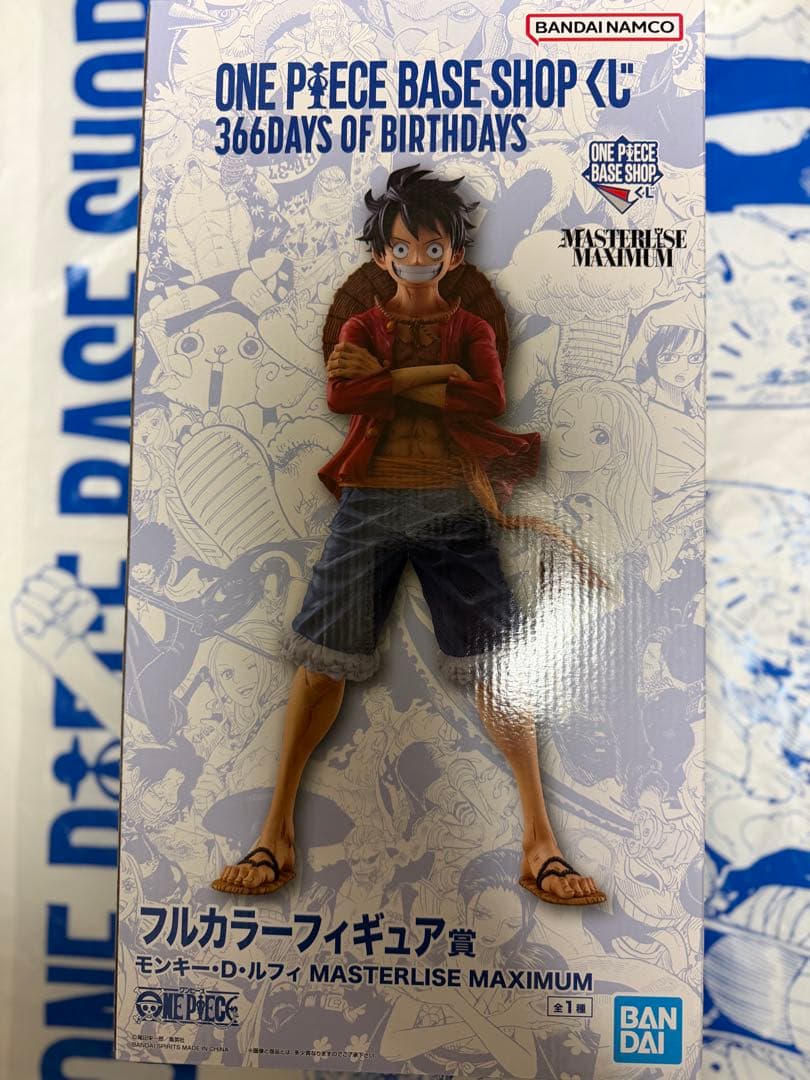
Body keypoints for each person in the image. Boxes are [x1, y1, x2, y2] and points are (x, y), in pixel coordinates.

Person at [212, 165, 605, 905]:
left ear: (453, 254)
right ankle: (274, 833)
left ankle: (540, 843)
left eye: (431, 248)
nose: (417, 259)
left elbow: (487, 397)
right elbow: (344, 393)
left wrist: (393, 377)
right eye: (402, 247)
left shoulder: (471, 328)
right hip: (370, 501)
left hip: (453, 502)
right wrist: (430, 376)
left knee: (498, 668)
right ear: (381, 254)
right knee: (321, 663)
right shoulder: (362, 326)